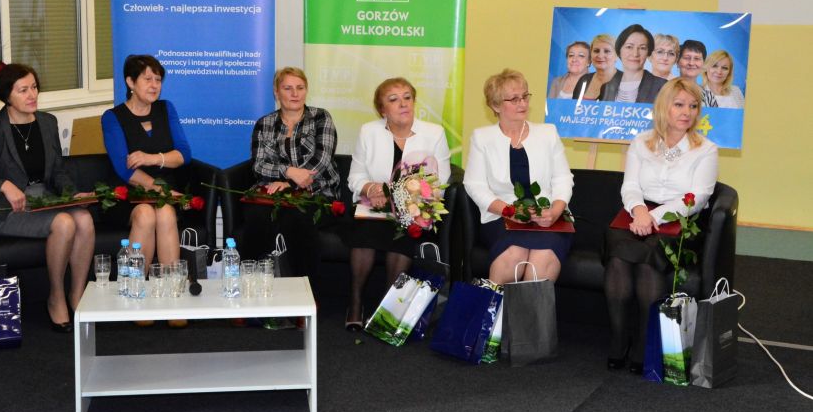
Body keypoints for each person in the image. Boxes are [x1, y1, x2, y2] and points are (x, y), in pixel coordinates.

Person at [0, 63, 95, 333]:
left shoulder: (47, 122)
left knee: (84, 219)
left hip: (45, 201)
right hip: (9, 210)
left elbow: (58, 171)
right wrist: (2, 185)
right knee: (65, 223)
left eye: (35, 87)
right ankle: (56, 296)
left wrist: (73, 195)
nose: (32, 95)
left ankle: (77, 294)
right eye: (23, 90)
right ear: (7, 95)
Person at [603, 77, 718, 373]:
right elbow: (630, 186)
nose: (687, 112)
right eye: (679, 104)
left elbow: (698, 198)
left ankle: (643, 345)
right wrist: (640, 211)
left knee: (649, 261)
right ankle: (618, 340)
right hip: (636, 214)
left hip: (679, 221)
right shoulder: (641, 142)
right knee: (617, 258)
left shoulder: (705, 149)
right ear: (664, 106)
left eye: (693, 106)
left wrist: (653, 217)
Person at [345, 77, 451, 331]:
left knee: (405, 233)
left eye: (407, 97)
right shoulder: (369, 132)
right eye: (393, 100)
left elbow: (441, 180)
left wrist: (406, 196)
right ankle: (356, 302)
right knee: (364, 232)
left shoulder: (434, 133)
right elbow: (355, 177)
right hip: (375, 208)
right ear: (383, 110)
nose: (403, 104)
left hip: (414, 209)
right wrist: (370, 188)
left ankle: (387, 307)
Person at [465, 70, 574, 285]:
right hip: (502, 217)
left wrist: (555, 211)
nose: (522, 103)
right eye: (514, 99)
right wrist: (509, 211)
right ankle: (493, 306)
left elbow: (563, 179)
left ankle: (529, 309)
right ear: (496, 105)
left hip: (548, 217)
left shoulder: (548, 133)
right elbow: (474, 185)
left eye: (525, 96)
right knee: (513, 253)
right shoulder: (482, 138)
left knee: (542, 257)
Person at [242, 67, 340, 293]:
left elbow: (321, 160)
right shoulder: (264, 124)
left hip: (317, 193)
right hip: (272, 193)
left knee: (297, 218)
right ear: (276, 92)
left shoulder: (321, 117)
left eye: (300, 88)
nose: (295, 94)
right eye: (288, 88)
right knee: (256, 217)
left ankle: (305, 294)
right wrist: (287, 171)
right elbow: (258, 165)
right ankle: (252, 289)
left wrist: (290, 184)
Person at [102, 55, 192, 268]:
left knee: (165, 212)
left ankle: (171, 283)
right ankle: (135, 283)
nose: (154, 85)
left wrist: (151, 158)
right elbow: (125, 170)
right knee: (145, 214)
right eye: (147, 79)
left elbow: (184, 154)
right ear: (130, 82)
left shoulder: (166, 108)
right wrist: (163, 192)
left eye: (158, 80)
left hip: (167, 188)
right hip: (128, 192)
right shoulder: (112, 117)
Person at [600, 24, 667, 104]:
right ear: (619, 50)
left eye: (642, 48)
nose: (635, 54)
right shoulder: (606, 87)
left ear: (648, 53)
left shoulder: (662, 86)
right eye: (629, 47)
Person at [572, 34, 618, 100]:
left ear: (616, 56)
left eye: (607, 51)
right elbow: (573, 105)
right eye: (596, 51)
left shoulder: (625, 81)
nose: (600, 56)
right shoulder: (584, 79)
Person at [677, 39, 718, 107]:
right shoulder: (666, 90)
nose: (691, 63)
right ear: (677, 62)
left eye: (697, 58)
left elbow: (715, 114)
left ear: (703, 64)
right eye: (687, 58)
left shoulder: (709, 96)